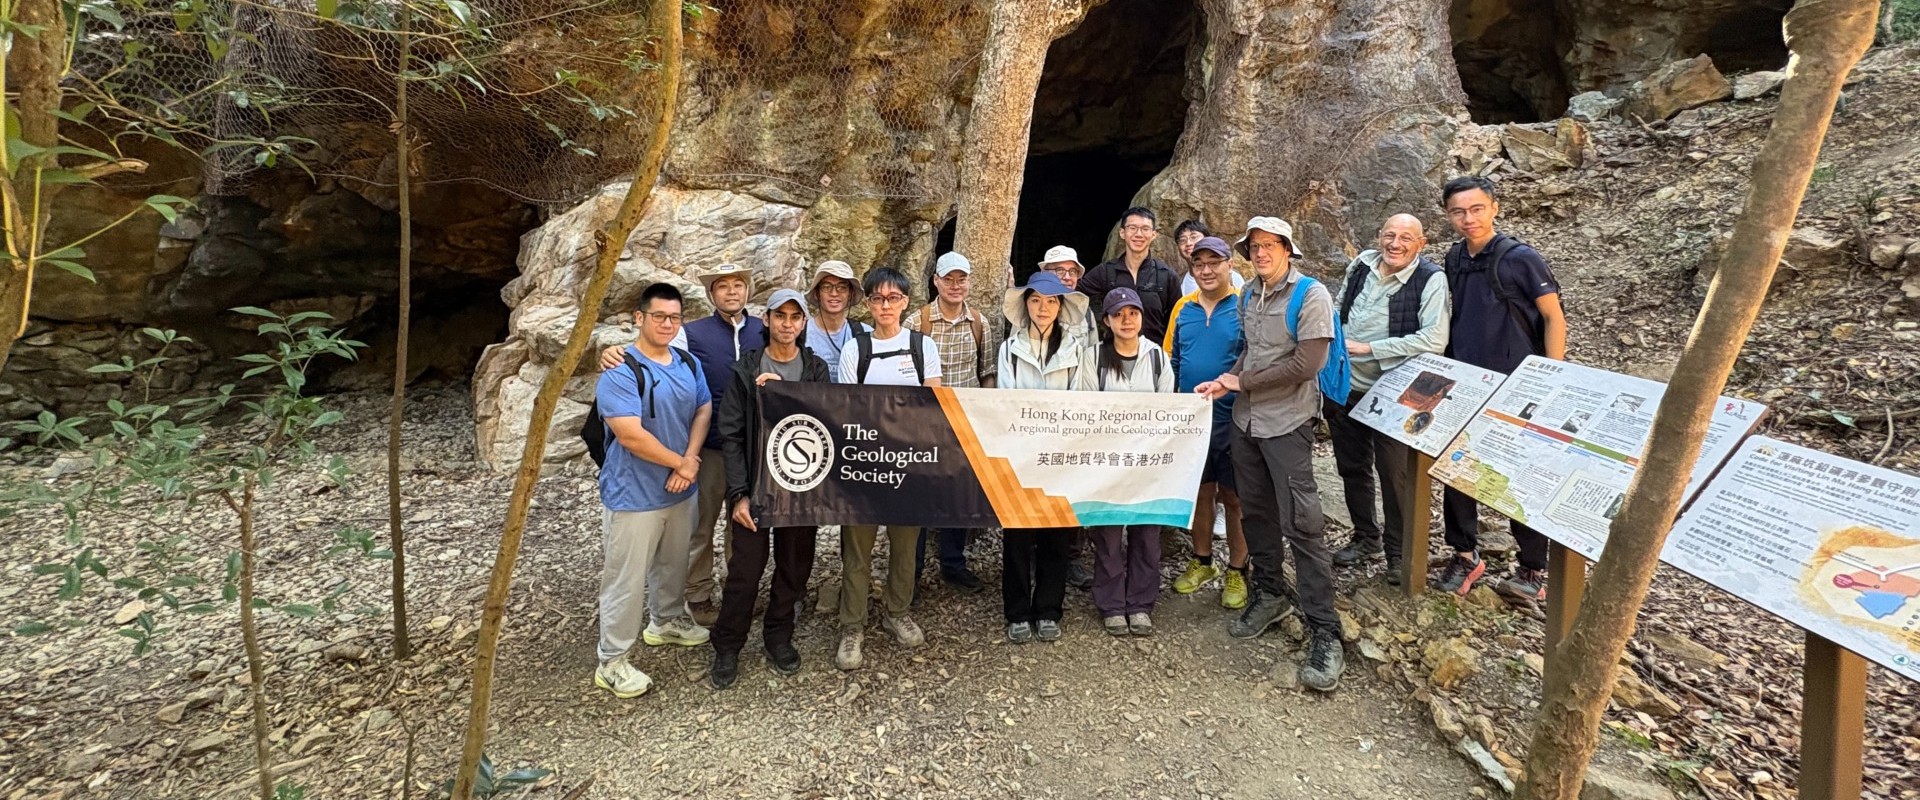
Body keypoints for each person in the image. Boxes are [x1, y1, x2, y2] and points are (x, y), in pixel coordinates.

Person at [1195, 217, 1344, 693]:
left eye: (1269, 246)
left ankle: (1325, 630)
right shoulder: (1249, 295)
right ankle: (1271, 592)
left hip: (1287, 424)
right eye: (1254, 247)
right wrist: (1226, 381)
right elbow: (1252, 355)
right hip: (1247, 424)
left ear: (1287, 249)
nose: (1260, 253)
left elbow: (1309, 363)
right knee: (1255, 512)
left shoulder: (1311, 296)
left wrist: (1244, 382)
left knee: (1303, 522)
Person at [1436, 176, 1567, 602]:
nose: (1468, 219)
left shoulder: (1520, 258)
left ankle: (1531, 568)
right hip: (1468, 380)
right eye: (1458, 211)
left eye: (1476, 209)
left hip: (1518, 380)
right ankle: (1465, 553)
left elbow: (1553, 317)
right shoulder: (1455, 258)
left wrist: (1551, 376)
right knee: (1457, 468)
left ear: (1494, 207)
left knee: (1519, 473)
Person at [591, 282, 713, 699]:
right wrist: (681, 463)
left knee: (673, 562)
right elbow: (630, 435)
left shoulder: (686, 362)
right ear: (639, 318)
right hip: (634, 495)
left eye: (674, 317)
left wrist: (691, 458)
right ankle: (612, 660)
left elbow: (703, 407)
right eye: (658, 316)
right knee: (625, 579)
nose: (666, 323)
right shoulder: (620, 369)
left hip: (680, 488)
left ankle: (665, 621)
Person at [708, 289, 832, 689]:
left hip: (800, 489)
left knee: (794, 569)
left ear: (803, 324)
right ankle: (727, 645)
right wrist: (738, 494)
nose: (788, 324)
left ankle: (779, 636)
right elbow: (731, 433)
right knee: (745, 570)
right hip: (756, 490)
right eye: (781, 316)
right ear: (767, 319)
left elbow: (826, 423)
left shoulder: (814, 369)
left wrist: (785, 394)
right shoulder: (746, 369)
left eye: (796, 317)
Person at [1327, 215, 1450, 586]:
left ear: (1421, 243)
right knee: (1352, 466)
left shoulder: (1430, 280)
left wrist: (1370, 348)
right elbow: (1339, 306)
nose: (1395, 244)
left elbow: (1434, 339)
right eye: (1389, 235)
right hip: (1346, 383)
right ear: (1379, 236)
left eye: (1406, 238)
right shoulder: (1361, 264)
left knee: (1395, 474)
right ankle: (1366, 537)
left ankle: (1400, 553)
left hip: (1398, 390)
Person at [834, 266, 942, 670]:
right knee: (857, 549)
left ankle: (898, 611)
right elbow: (846, 406)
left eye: (893, 298)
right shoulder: (854, 350)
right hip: (864, 465)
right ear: (867, 304)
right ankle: (852, 624)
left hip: (910, 464)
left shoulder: (922, 347)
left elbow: (933, 403)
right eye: (877, 298)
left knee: (904, 544)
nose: (885, 306)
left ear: (905, 302)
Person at [996, 270, 1094, 644]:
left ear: (1060, 306)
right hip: (1020, 458)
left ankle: (1050, 609)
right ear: (1026, 305)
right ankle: (1018, 611)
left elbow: (1079, 399)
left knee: (1056, 536)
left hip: (1061, 456)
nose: (1043, 308)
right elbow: (1007, 401)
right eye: (1036, 300)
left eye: (1051, 301)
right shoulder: (1010, 348)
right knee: (1018, 536)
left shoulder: (1075, 349)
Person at [1077, 288, 1174, 636]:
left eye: (1132, 313)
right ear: (1107, 320)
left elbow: (1168, 412)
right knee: (1108, 535)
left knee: (1147, 534)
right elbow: (1084, 407)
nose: (1127, 320)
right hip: (1107, 463)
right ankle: (1112, 604)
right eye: (1118, 314)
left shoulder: (1158, 358)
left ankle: (1141, 603)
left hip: (1148, 464)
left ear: (1141, 318)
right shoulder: (1093, 358)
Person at [1163, 236, 1250, 610]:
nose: (1207, 270)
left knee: (1233, 497)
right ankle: (1201, 561)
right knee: (1200, 493)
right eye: (1199, 264)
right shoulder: (1183, 308)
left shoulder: (1246, 307)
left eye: (1215, 262)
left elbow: (1253, 358)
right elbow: (1174, 360)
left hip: (1234, 418)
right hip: (1192, 419)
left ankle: (1237, 569)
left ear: (1230, 265)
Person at [913, 252, 994, 594]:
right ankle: (911, 573)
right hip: (925, 425)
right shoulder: (916, 323)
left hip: (965, 424)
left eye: (962, 279)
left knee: (958, 496)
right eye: (949, 279)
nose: (955, 285)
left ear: (970, 282)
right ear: (936, 281)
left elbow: (987, 372)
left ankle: (953, 563)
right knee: (918, 499)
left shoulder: (980, 323)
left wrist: (985, 416)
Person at [1079, 207, 1183, 346]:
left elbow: (1178, 322)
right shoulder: (1106, 271)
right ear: (1122, 232)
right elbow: (1073, 293)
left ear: (1154, 234)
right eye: (1132, 228)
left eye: (1145, 229)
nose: (1138, 234)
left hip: (1153, 358)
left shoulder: (1166, 275)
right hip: (1113, 358)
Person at [805, 260, 869, 378]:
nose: (834, 293)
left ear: (850, 294)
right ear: (817, 294)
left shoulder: (866, 334)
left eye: (842, 287)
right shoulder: (800, 334)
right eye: (826, 287)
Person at [1175, 220, 1244, 296]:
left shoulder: (1232, 276)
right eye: (1182, 240)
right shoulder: (1179, 282)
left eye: (1193, 237)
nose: (1188, 243)